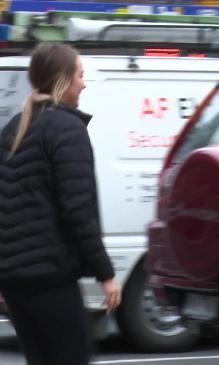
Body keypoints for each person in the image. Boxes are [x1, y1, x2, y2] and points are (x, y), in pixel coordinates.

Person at [0, 42, 121, 365]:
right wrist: (106, 274)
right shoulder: (67, 129)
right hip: (51, 280)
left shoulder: (14, 129)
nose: (84, 83)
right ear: (63, 79)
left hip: (16, 285)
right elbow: (77, 209)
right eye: (80, 75)